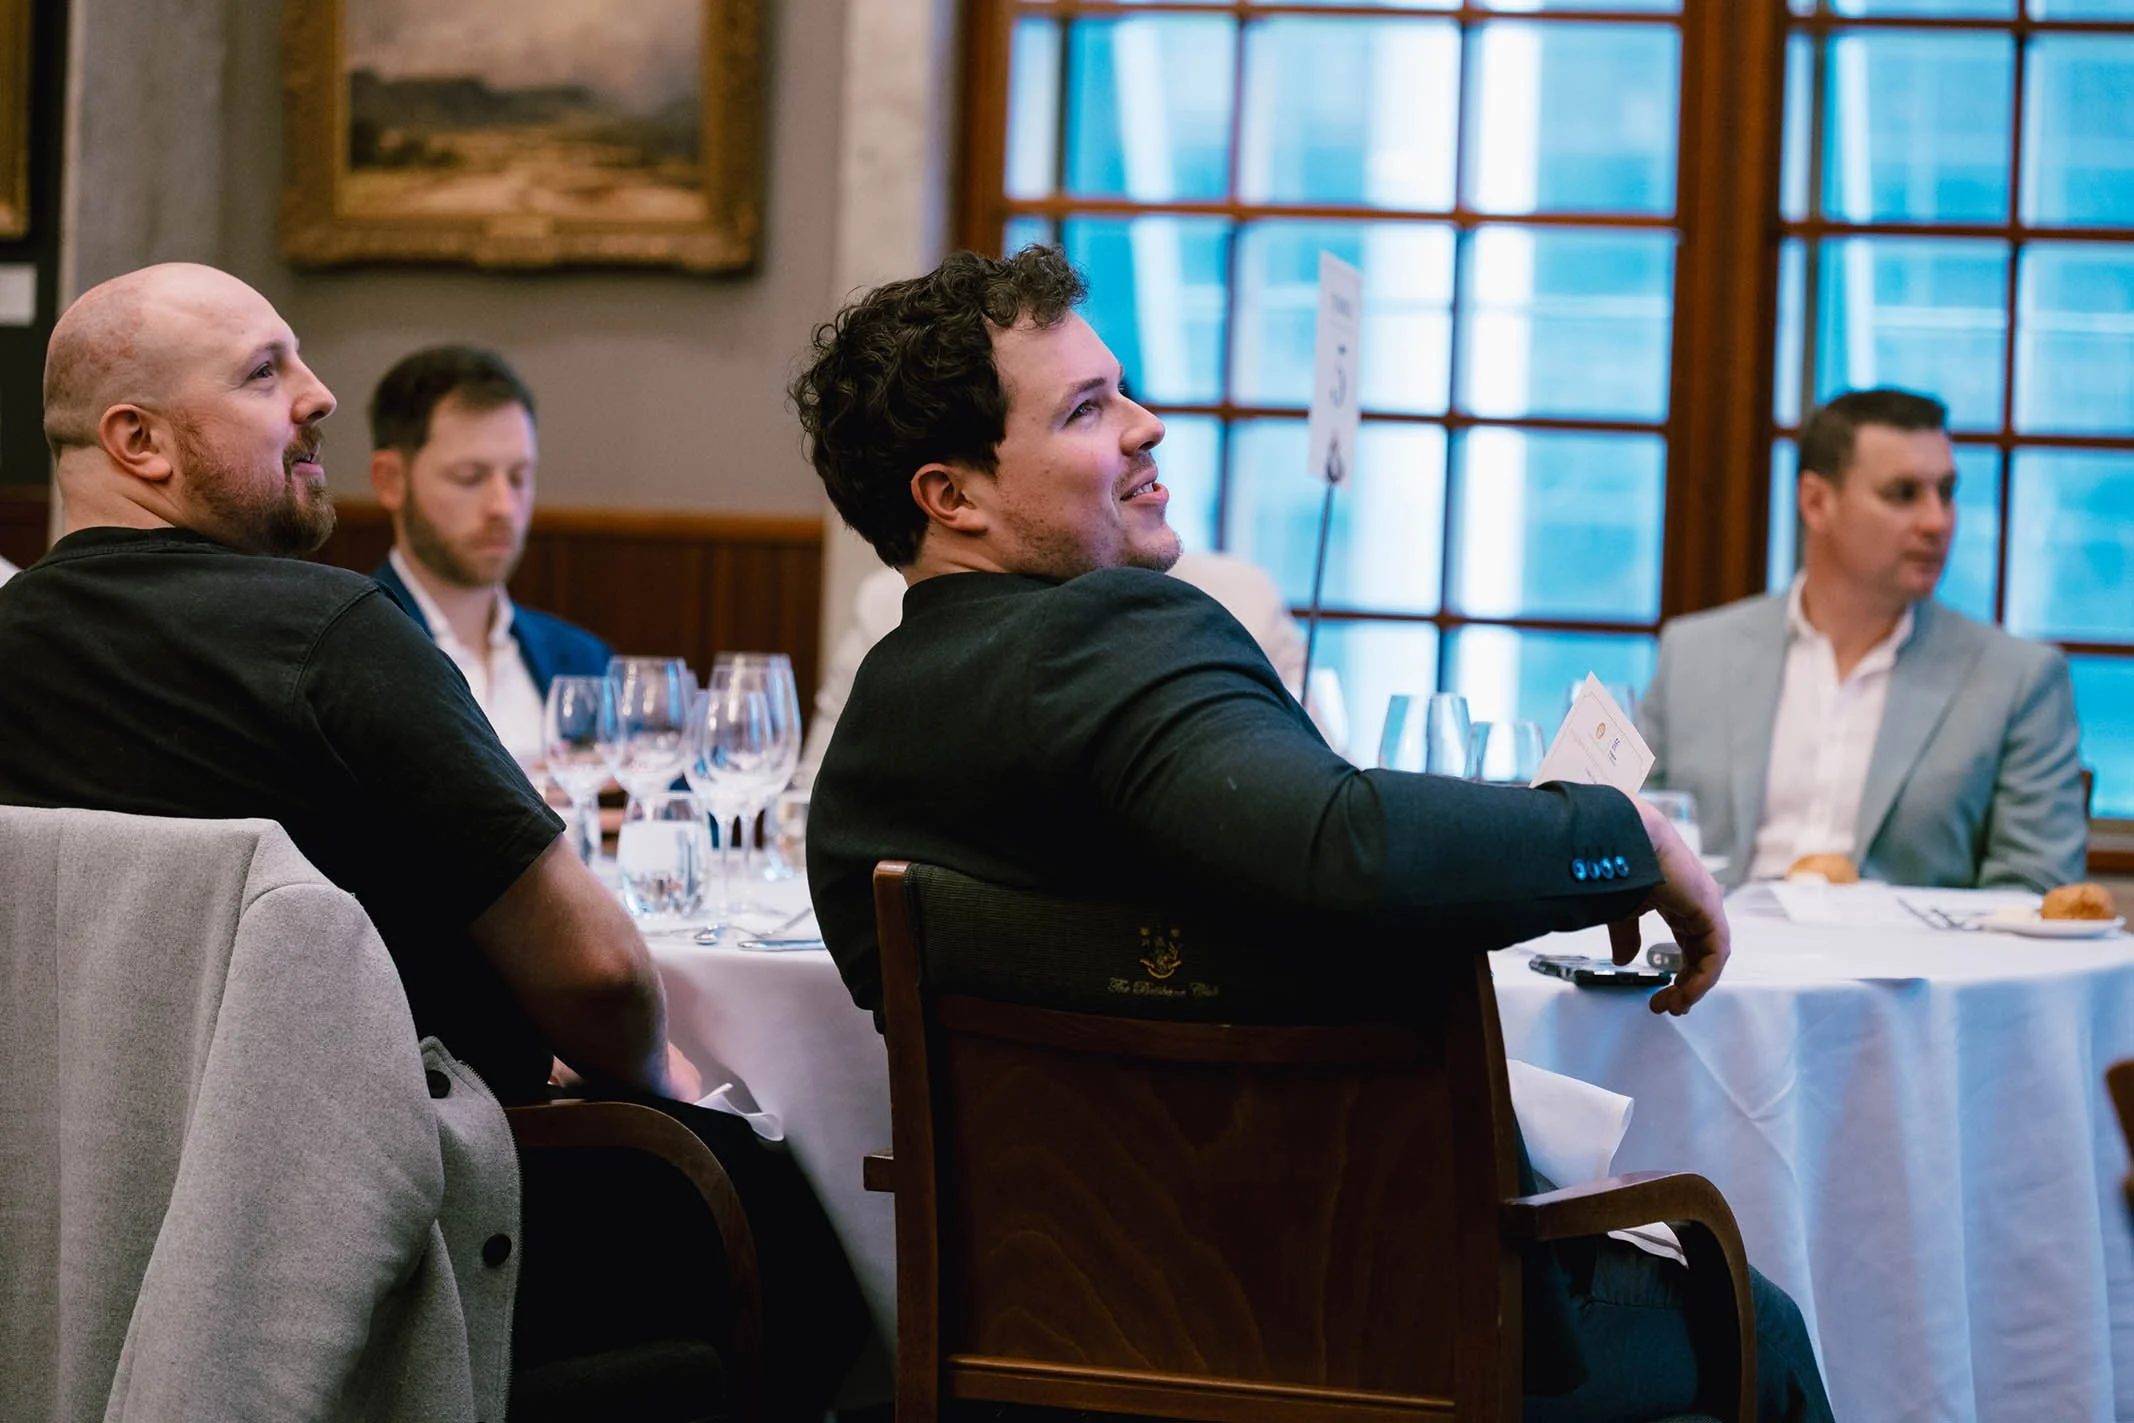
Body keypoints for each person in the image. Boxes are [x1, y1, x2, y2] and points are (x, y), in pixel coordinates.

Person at [790, 245, 1833, 1422]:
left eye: (1123, 388)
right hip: (1340, 1335)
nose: (1147, 426)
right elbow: (1349, 850)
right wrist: (1622, 834)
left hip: (1056, 1344)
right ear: (953, 496)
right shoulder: (1108, 636)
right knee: (1757, 1320)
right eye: (1088, 409)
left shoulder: (876, 736)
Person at [0, 262, 860, 1416]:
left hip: (65, 1214)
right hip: (379, 1221)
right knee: (778, 1205)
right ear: (140, 442)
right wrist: (659, 1076)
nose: (319, 396)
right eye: (266, 373)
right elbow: (598, 972)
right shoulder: (332, 637)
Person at [1641, 388, 2086, 891]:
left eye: (1946, 491)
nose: (1937, 521)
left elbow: (2033, 892)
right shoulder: (1695, 654)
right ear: (1816, 502)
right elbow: (1635, 839)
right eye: (1903, 494)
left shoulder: (2019, 679)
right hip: (1720, 960)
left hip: (1914, 965)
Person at [796, 549, 1307, 784]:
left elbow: (1310, 775)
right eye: (1083, 413)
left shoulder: (1237, 598)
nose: (1145, 429)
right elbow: (815, 791)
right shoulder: (896, 607)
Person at [367, 344, 610, 766]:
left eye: (519, 477)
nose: (503, 506)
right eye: (470, 477)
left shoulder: (583, 659)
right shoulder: (351, 654)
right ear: (391, 481)